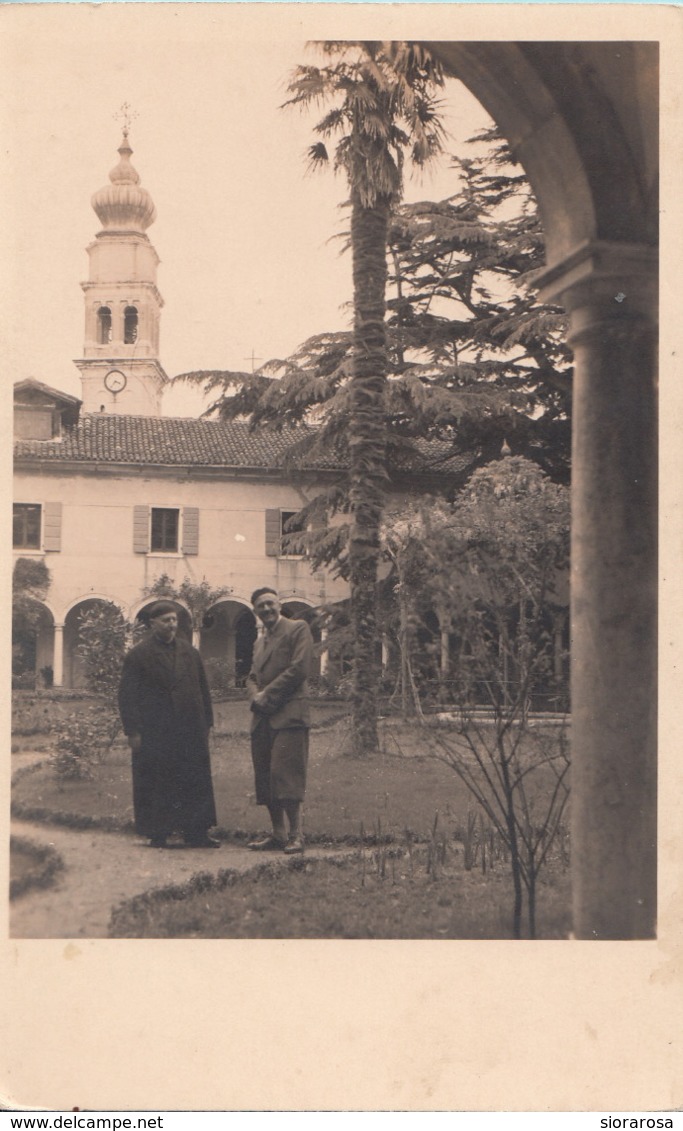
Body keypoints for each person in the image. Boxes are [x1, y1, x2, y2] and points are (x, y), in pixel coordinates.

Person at [118, 600, 220, 849]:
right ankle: (158, 832)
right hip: (155, 731)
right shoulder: (138, 655)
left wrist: (207, 722)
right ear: (153, 624)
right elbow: (127, 696)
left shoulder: (189, 652)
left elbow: (202, 689)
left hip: (190, 728)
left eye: (174, 620)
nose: (172, 625)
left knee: (193, 778)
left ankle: (197, 832)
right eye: (166, 620)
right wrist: (133, 731)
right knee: (156, 780)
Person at [246, 587, 314, 854]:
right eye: (260, 606)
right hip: (262, 717)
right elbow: (251, 676)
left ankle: (297, 835)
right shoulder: (258, 643)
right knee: (266, 777)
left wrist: (267, 694)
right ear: (255, 611)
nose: (266, 609)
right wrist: (256, 697)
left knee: (286, 776)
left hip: (289, 715)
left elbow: (299, 669)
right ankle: (278, 834)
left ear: (279, 604)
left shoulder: (298, 629)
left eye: (270, 603)